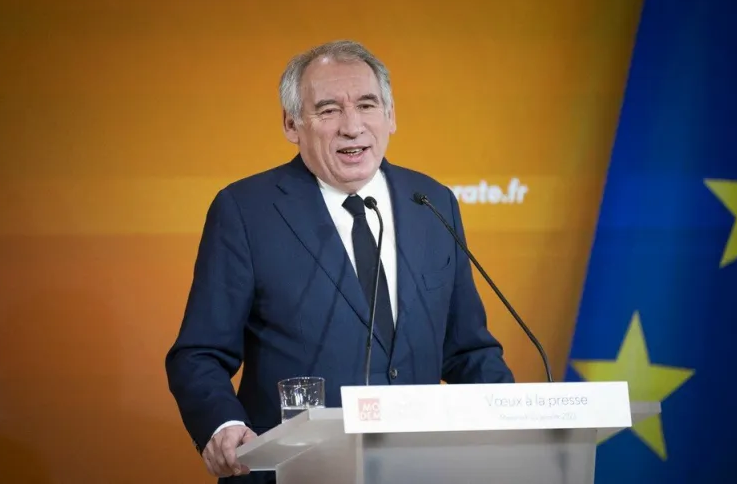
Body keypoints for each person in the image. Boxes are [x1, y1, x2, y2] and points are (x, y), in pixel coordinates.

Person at [165, 40, 514, 483]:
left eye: (368, 105)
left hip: (420, 469)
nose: (353, 127)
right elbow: (199, 353)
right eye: (328, 110)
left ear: (390, 116)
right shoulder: (246, 211)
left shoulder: (432, 202)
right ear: (292, 124)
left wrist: (520, 429)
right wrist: (223, 425)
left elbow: (467, 351)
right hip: (297, 471)